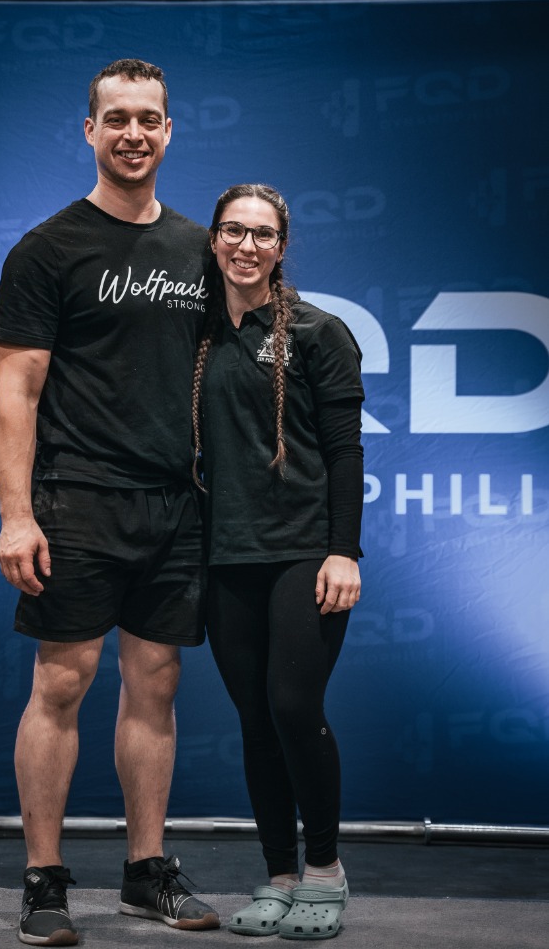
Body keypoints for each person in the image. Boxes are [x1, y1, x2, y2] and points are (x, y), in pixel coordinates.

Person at [0, 58, 220, 946]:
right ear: (89, 131)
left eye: (149, 119)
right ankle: (44, 879)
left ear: (169, 132)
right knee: (63, 681)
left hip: (175, 507)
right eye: (116, 117)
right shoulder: (48, 250)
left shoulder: (201, 251)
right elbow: (18, 393)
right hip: (77, 499)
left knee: (155, 686)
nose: (133, 133)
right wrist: (18, 513)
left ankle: (145, 872)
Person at [191, 183, 364, 940]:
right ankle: (279, 876)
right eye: (233, 231)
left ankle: (324, 869)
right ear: (214, 240)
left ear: (282, 247)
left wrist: (343, 551)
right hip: (226, 556)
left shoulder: (321, 333)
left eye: (263, 234)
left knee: (294, 708)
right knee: (255, 721)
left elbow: (346, 453)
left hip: (303, 554)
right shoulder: (193, 335)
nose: (246, 246)